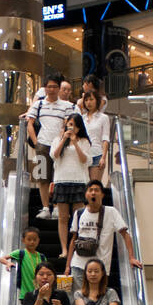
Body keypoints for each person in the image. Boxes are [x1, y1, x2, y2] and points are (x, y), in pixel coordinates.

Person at [68, 180, 141, 296]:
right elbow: (73, 240)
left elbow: (125, 234)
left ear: (102, 194)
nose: (93, 193)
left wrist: (131, 257)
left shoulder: (111, 212)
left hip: (99, 267)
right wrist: (67, 266)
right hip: (78, 264)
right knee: (77, 297)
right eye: (90, 190)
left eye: (96, 190)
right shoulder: (79, 213)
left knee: (96, 298)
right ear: (86, 194)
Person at [26, 75, 72, 222]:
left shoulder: (66, 106)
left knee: (58, 177)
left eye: (54, 87)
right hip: (43, 144)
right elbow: (30, 123)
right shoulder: (38, 104)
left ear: (59, 88)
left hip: (59, 145)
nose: (51, 89)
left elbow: (67, 124)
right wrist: (36, 142)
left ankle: (57, 207)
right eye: (49, 86)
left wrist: (62, 139)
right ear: (45, 88)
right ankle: (46, 207)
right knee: (43, 177)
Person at [51, 112, 91, 262]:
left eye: (73, 124)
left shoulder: (84, 142)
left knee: (78, 217)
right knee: (62, 217)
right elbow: (54, 155)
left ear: (79, 127)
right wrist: (64, 140)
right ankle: (64, 248)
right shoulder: (58, 139)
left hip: (79, 181)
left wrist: (75, 142)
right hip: (61, 180)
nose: (70, 127)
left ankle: (77, 247)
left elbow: (85, 160)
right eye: (68, 124)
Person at [1, 226, 48, 298]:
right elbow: (2, 258)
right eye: (29, 239)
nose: (32, 242)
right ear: (23, 240)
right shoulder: (20, 253)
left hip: (41, 294)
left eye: (34, 240)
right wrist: (8, 263)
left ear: (38, 240)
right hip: (26, 295)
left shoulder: (42, 257)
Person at [77, 89, 111, 181]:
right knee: (82, 185)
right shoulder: (81, 118)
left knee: (94, 185)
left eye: (91, 99)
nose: (89, 102)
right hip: (83, 154)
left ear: (97, 100)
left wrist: (103, 157)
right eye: (86, 100)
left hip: (97, 155)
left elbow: (105, 138)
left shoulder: (103, 118)